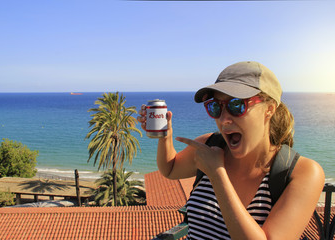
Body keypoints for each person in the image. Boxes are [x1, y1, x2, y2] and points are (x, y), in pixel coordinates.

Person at [138, 61, 325, 240]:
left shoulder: (302, 173)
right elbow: (170, 169)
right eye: (215, 107)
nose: (224, 119)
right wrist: (165, 136)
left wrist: (217, 175)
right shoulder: (210, 145)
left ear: (269, 109)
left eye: (237, 105)